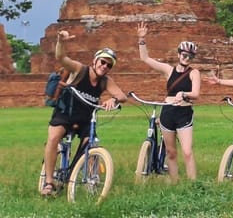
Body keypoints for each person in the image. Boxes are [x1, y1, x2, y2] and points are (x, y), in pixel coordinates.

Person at [41, 30, 127, 196]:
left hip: (86, 120)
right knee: (53, 138)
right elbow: (61, 58)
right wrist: (61, 41)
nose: (105, 66)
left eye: (109, 65)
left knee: (91, 143)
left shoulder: (105, 81)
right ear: (95, 61)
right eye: (103, 62)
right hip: (65, 114)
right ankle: (49, 182)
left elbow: (122, 96)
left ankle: (77, 174)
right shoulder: (79, 70)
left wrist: (113, 99)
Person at [136, 22, 201, 183]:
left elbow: (196, 94)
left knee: (187, 151)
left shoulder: (194, 73)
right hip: (168, 112)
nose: (187, 58)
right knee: (171, 152)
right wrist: (142, 39)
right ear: (179, 54)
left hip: (184, 113)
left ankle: (193, 185)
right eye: (184, 55)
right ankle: (175, 183)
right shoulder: (168, 70)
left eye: (190, 56)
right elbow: (145, 59)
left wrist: (183, 94)